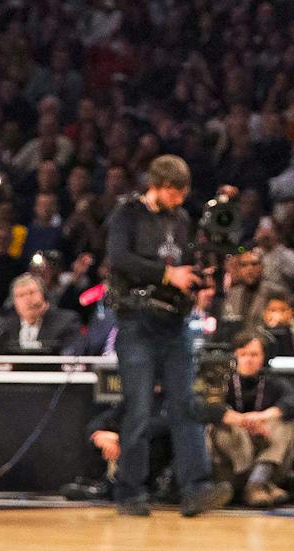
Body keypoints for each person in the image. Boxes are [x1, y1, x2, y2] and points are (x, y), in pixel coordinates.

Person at [104, 155, 229, 518]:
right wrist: (166, 275)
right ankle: (130, 491)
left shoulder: (181, 219)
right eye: (175, 194)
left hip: (174, 324)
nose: (179, 201)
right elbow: (119, 258)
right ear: (157, 186)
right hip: (137, 322)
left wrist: (196, 276)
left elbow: (183, 260)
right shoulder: (127, 214)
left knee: (186, 406)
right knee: (139, 408)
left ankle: (196, 488)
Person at [205, 328, 294, 508]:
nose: (248, 359)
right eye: (243, 354)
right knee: (225, 424)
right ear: (235, 355)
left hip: (265, 452)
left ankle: (257, 482)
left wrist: (263, 417)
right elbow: (207, 406)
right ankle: (258, 484)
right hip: (230, 465)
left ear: (263, 357)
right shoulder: (222, 379)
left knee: (285, 420)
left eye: (254, 354)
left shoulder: (272, 382)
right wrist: (242, 421)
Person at [0, 272, 82, 355]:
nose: (27, 299)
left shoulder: (67, 321)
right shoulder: (2, 326)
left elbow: (71, 353)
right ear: (14, 303)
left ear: (44, 295)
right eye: (21, 295)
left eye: (32, 292)